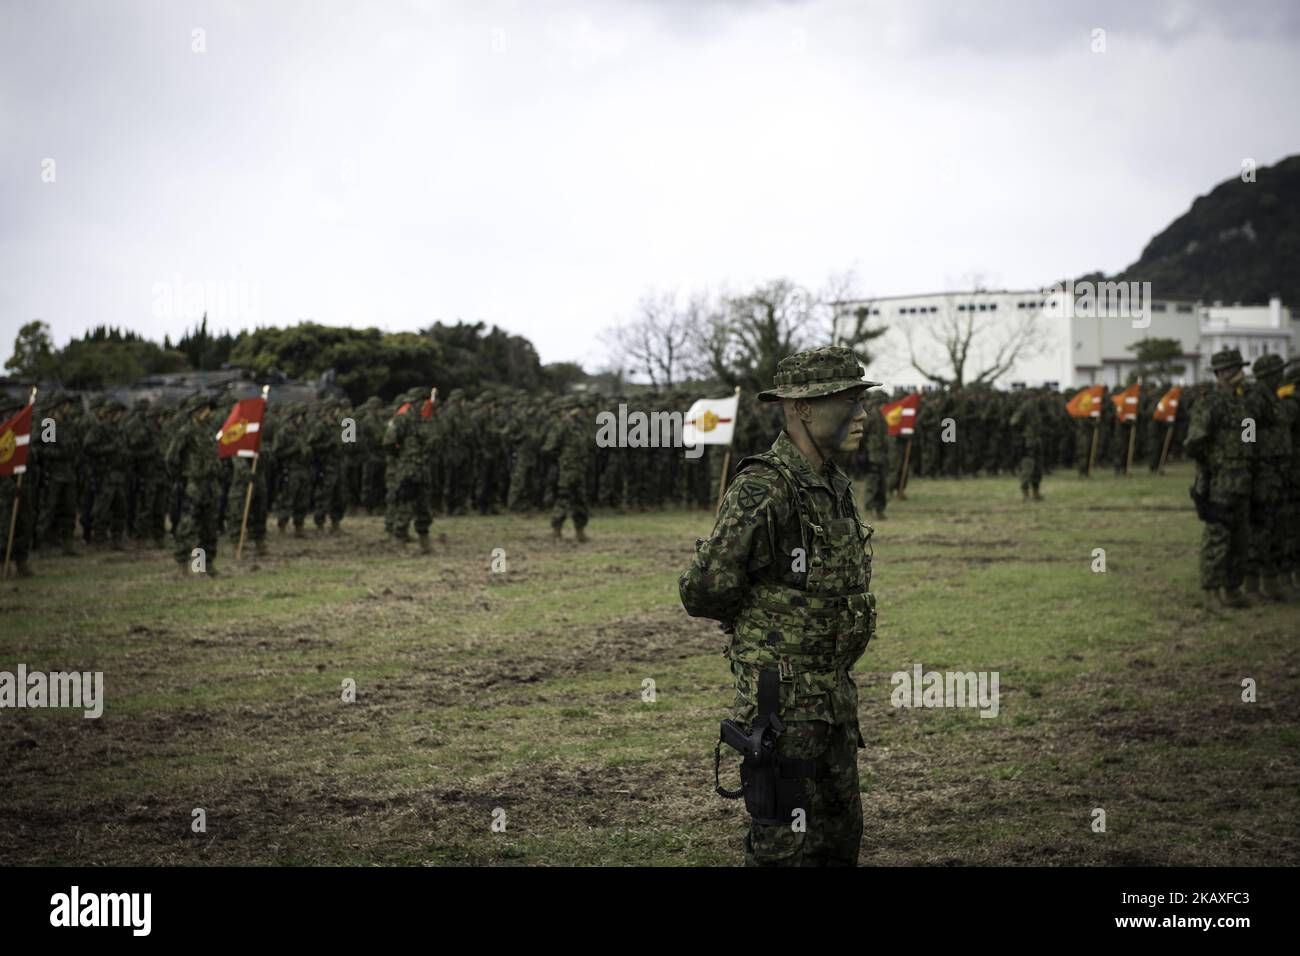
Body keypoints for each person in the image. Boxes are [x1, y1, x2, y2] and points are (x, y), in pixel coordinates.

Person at [679, 345, 879, 866]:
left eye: (862, 400)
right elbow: (704, 589)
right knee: (785, 849)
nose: (863, 414)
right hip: (784, 706)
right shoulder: (764, 486)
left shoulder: (832, 483)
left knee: (838, 841)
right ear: (802, 408)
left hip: (832, 699)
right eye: (847, 401)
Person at [1184, 348, 1255, 609]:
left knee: (1240, 536)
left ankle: (1233, 588)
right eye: (1236, 368)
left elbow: (1250, 439)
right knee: (1218, 535)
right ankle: (1212, 591)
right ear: (1222, 373)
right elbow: (1194, 441)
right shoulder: (1210, 403)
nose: (1241, 373)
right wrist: (1214, 461)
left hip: (1243, 478)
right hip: (1220, 481)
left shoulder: (1242, 404)